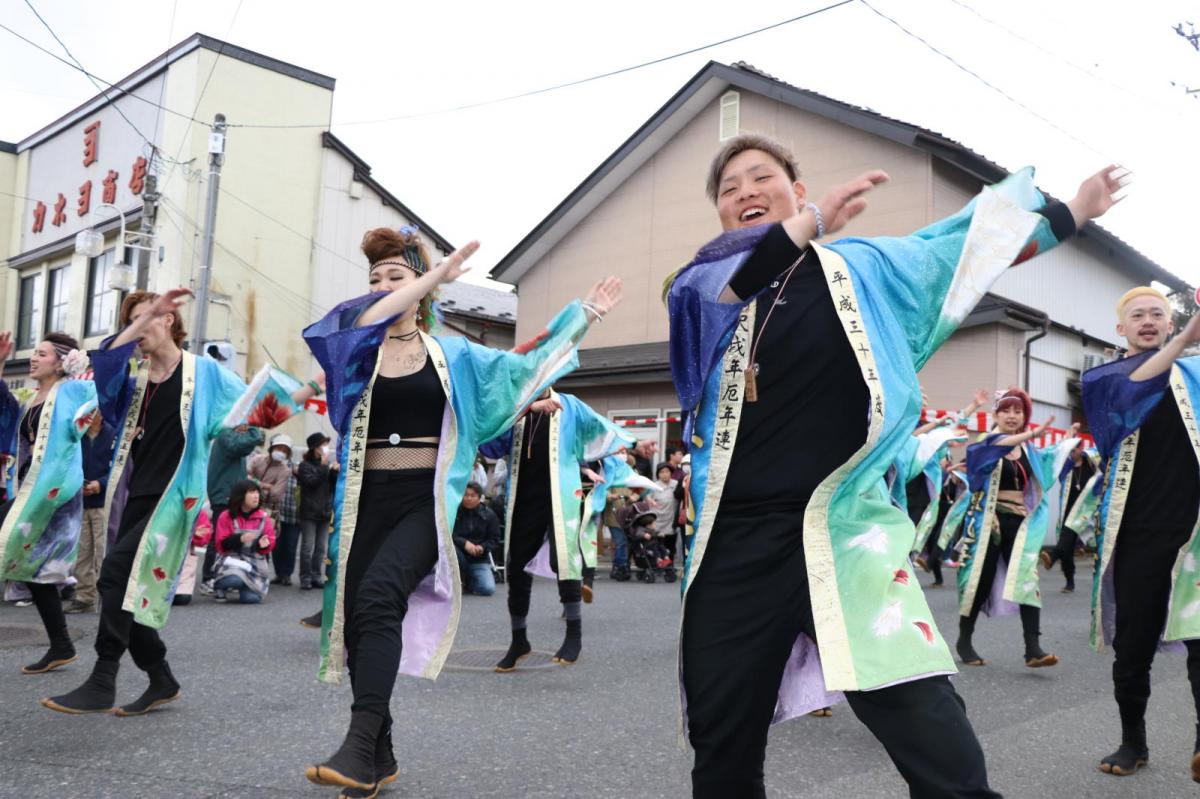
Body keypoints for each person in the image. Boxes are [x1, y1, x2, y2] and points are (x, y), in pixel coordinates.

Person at [664, 131, 1121, 797]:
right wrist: (812, 219)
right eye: (729, 189)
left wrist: (1074, 211)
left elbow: (964, 252)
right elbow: (726, 289)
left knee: (935, 736)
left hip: (848, 530)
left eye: (761, 176)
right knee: (722, 749)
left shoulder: (866, 267)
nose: (745, 192)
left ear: (795, 183)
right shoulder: (700, 281)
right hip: (732, 543)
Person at [300, 224, 622, 795]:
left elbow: (520, 366)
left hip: (424, 501)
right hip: (364, 502)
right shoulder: (359, 345)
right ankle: (380, 752)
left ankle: (356, 743)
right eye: (374, 278)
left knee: (379, 598)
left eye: (395, 276)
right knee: (357, 621)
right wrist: (426, 277)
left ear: (422, 289)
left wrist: (584, 316)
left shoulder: (454, 354)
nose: (381, 286)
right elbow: (355, 323)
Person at [41, 289, 321, 717]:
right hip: (135, 495)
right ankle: (160, 678)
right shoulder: (132, 382)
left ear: (169, 321)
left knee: (115, 574)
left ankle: (103, 677)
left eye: (148, 318)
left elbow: (257, 410)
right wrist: (136, 323)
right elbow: (106, 362)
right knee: (128, 590)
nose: (138, 330)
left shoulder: (204, 374)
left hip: (176, 498)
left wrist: (313, 386)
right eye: (132, 322)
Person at [1080, 286, 1200, 780]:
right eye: (1137, 315)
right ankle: (1134, 741)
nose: (1148, 320)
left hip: (1194, 532)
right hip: (1136, 533)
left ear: (1170, 324)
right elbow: (1131, 395)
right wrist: (1190, 336)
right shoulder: (1105, 379)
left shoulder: (1194, 377)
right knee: (1133, 647)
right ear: (1121, 329)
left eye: (1158, 314)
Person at [483, 389, 633, 672]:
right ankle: (519, 640)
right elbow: (489, 443)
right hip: (524, 498)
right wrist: (525, 410)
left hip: (560, 496)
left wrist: (623, 444)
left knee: (564, 561)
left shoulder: (569, 405)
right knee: (516, 567)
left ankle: (573, 635)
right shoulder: (516, 409)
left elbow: (596, 433)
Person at [956, 389, 1078, 669]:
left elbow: (1049, 463)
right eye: (1006, 411)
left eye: (1018, 412)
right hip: (990, 522)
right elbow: (992, 452)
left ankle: (1032, 648)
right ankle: (964, 639)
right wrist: (1031, 435)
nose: (1012, 416)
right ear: (995, 415)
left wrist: (1068, 442)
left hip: (1021, 524)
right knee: (981, 581)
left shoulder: (1028, 450)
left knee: (1027, 580)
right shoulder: (986, 443)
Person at [0, 331, 95, 674]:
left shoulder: (69, 393)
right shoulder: (32, 399)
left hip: (54, 495)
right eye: (34, 353)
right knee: (35, 572)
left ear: (60, 363)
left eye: (42, 353)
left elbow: (91, 406)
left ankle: (62, 645)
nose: (34, 358)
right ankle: (62, 645)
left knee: (37, 568)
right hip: (29, 489)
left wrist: (83, 371)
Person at [202, 424, 264, 591]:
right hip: (224, 497)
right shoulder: (225, 434)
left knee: (233, 539)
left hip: (232, 496)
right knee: (219, 539)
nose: (244, 428)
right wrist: (253, 430)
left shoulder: (230, 437)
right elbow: (240, 445)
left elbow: (243, 446)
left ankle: (228, 575)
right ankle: (209, 578)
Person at [66, 408, 116, 614]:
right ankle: (84, 596)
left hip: (104, 501)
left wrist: (100, 484)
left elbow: (117, 467)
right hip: (80, 501)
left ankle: (107, 597)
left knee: (103, 552)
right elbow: (68, 464)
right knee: (82, 552)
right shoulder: (76, 436)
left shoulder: (113, 434)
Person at [1040, 440, 1098, 593]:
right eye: (1070, 450)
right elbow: (1057, 473)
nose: (1073, 452)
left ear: (1081, 448)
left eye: (1076, 448)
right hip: (1068, 511)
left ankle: (1052, 558)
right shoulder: (1067, 467)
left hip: (1085, 513)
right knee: (1066, 548)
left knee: (1066, 543)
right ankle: (1069, 581)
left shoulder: (1091, 464)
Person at [213, 480, 277, 604]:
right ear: (241, 496)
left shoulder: (263, 517)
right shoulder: (226, 516)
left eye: (257, 492)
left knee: (251, 599)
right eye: (251, 492)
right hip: (232, 559)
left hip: (254, 562)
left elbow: (270, 540)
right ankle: (219, 585)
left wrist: (263, 544)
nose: (256, 495)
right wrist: (239, 539)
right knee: (234, 580)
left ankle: (244, 586)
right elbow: (221, 545)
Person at [297, 432, 338, 590]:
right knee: (307, 547)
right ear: (315, 448)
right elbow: (311, 483)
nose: (325, 448)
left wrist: (333, 472)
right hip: (309, 512)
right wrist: (324, 466)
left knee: (321, 548)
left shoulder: (325, 465)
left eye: (326, 444)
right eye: (322, 445)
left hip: (325, 512)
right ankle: (305, 577)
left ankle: (316, 575)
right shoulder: (305, 466)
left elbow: (331, 486)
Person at [452, 482, 501, 596]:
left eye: (472, 495)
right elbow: (448, 534)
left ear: (480, 497)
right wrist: (465, 543)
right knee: (451, 548)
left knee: (488, 589)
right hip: (458, 556)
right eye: (466, 495)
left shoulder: (489, 515)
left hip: (479, 559)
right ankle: (459, 578)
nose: (468, 498)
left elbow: (495, 539)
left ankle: (468, 582)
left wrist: (482, 547)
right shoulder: (454, 512)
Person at [271, 459, 301, 587]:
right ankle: (279, 573)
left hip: (295, 516)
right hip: (277, 515)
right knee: (276, 546)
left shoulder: (301, 473)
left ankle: (286, 574)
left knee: (290, 546)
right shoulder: (278, 470)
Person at [172, 509, 212, 606]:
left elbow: (205, 537)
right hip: (161, 554)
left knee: (182, 598)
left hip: (184, 558)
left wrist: (195, 535)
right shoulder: (164, 507)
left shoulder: (197, 511)